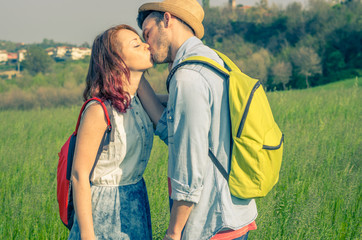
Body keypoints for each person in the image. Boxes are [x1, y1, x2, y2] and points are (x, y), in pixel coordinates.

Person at [136, 0, 258, 239]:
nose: (146, 45)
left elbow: (189, 169)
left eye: (147, 33)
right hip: (233, 213)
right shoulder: (211, 60)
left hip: (211, 223)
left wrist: (173, 232)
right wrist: (136, 79)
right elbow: (172, 128)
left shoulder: (187, 78)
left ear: (167, 19)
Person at [68, 24, 154, 240]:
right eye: (136, 44)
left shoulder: (139, 102)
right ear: (116, 60)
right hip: (102, 210)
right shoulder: (98, 110)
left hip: (135, 202)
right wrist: (88, 236)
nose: (146, 45)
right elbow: (79, 176)